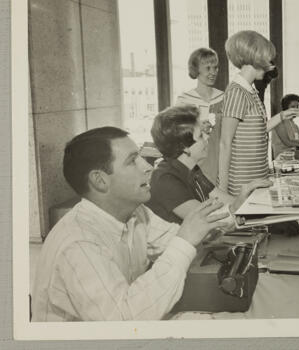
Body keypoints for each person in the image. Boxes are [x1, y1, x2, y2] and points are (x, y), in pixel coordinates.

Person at [32, 127, 228, 321]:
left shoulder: (136, 212)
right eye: (132, 161)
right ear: (100, 181)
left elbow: (172, 239)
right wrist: (186, 240)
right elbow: (123, 320)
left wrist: (208, 229)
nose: (147, 166)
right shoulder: (79, 243)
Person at [147, 105, 271, 225]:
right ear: (185, 147)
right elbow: (208, 221)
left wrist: (254, 199)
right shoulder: (165, 179)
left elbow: (225, 200)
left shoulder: (192, 169)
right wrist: (240, 202)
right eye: (201, 135)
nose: (207, 138)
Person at [218, 30, 298, 196]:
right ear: (255, 57)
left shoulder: (250, 92)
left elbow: (259, 130)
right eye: (267, 59)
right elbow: (225, 142)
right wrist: (222, 191)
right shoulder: (236, 92)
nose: (270, 64)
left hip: (257, 178)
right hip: (241, 183)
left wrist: (282, 115)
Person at [175, 47, 224, 183]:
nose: (213, 72)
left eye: (215, 68)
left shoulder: (223, 97)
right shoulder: (184, 100)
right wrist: (196, 127)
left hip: (220, 160)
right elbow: (176, 134)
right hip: (195, 161)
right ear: (196, 70)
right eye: (208, 68)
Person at [271, 94, 299, 159]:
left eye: (297, 106)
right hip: (281, 159)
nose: (296, 109)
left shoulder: (295, 125)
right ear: (286, 108)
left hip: (294, 157)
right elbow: (287, 143)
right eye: (293, 107)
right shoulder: (279, 122)